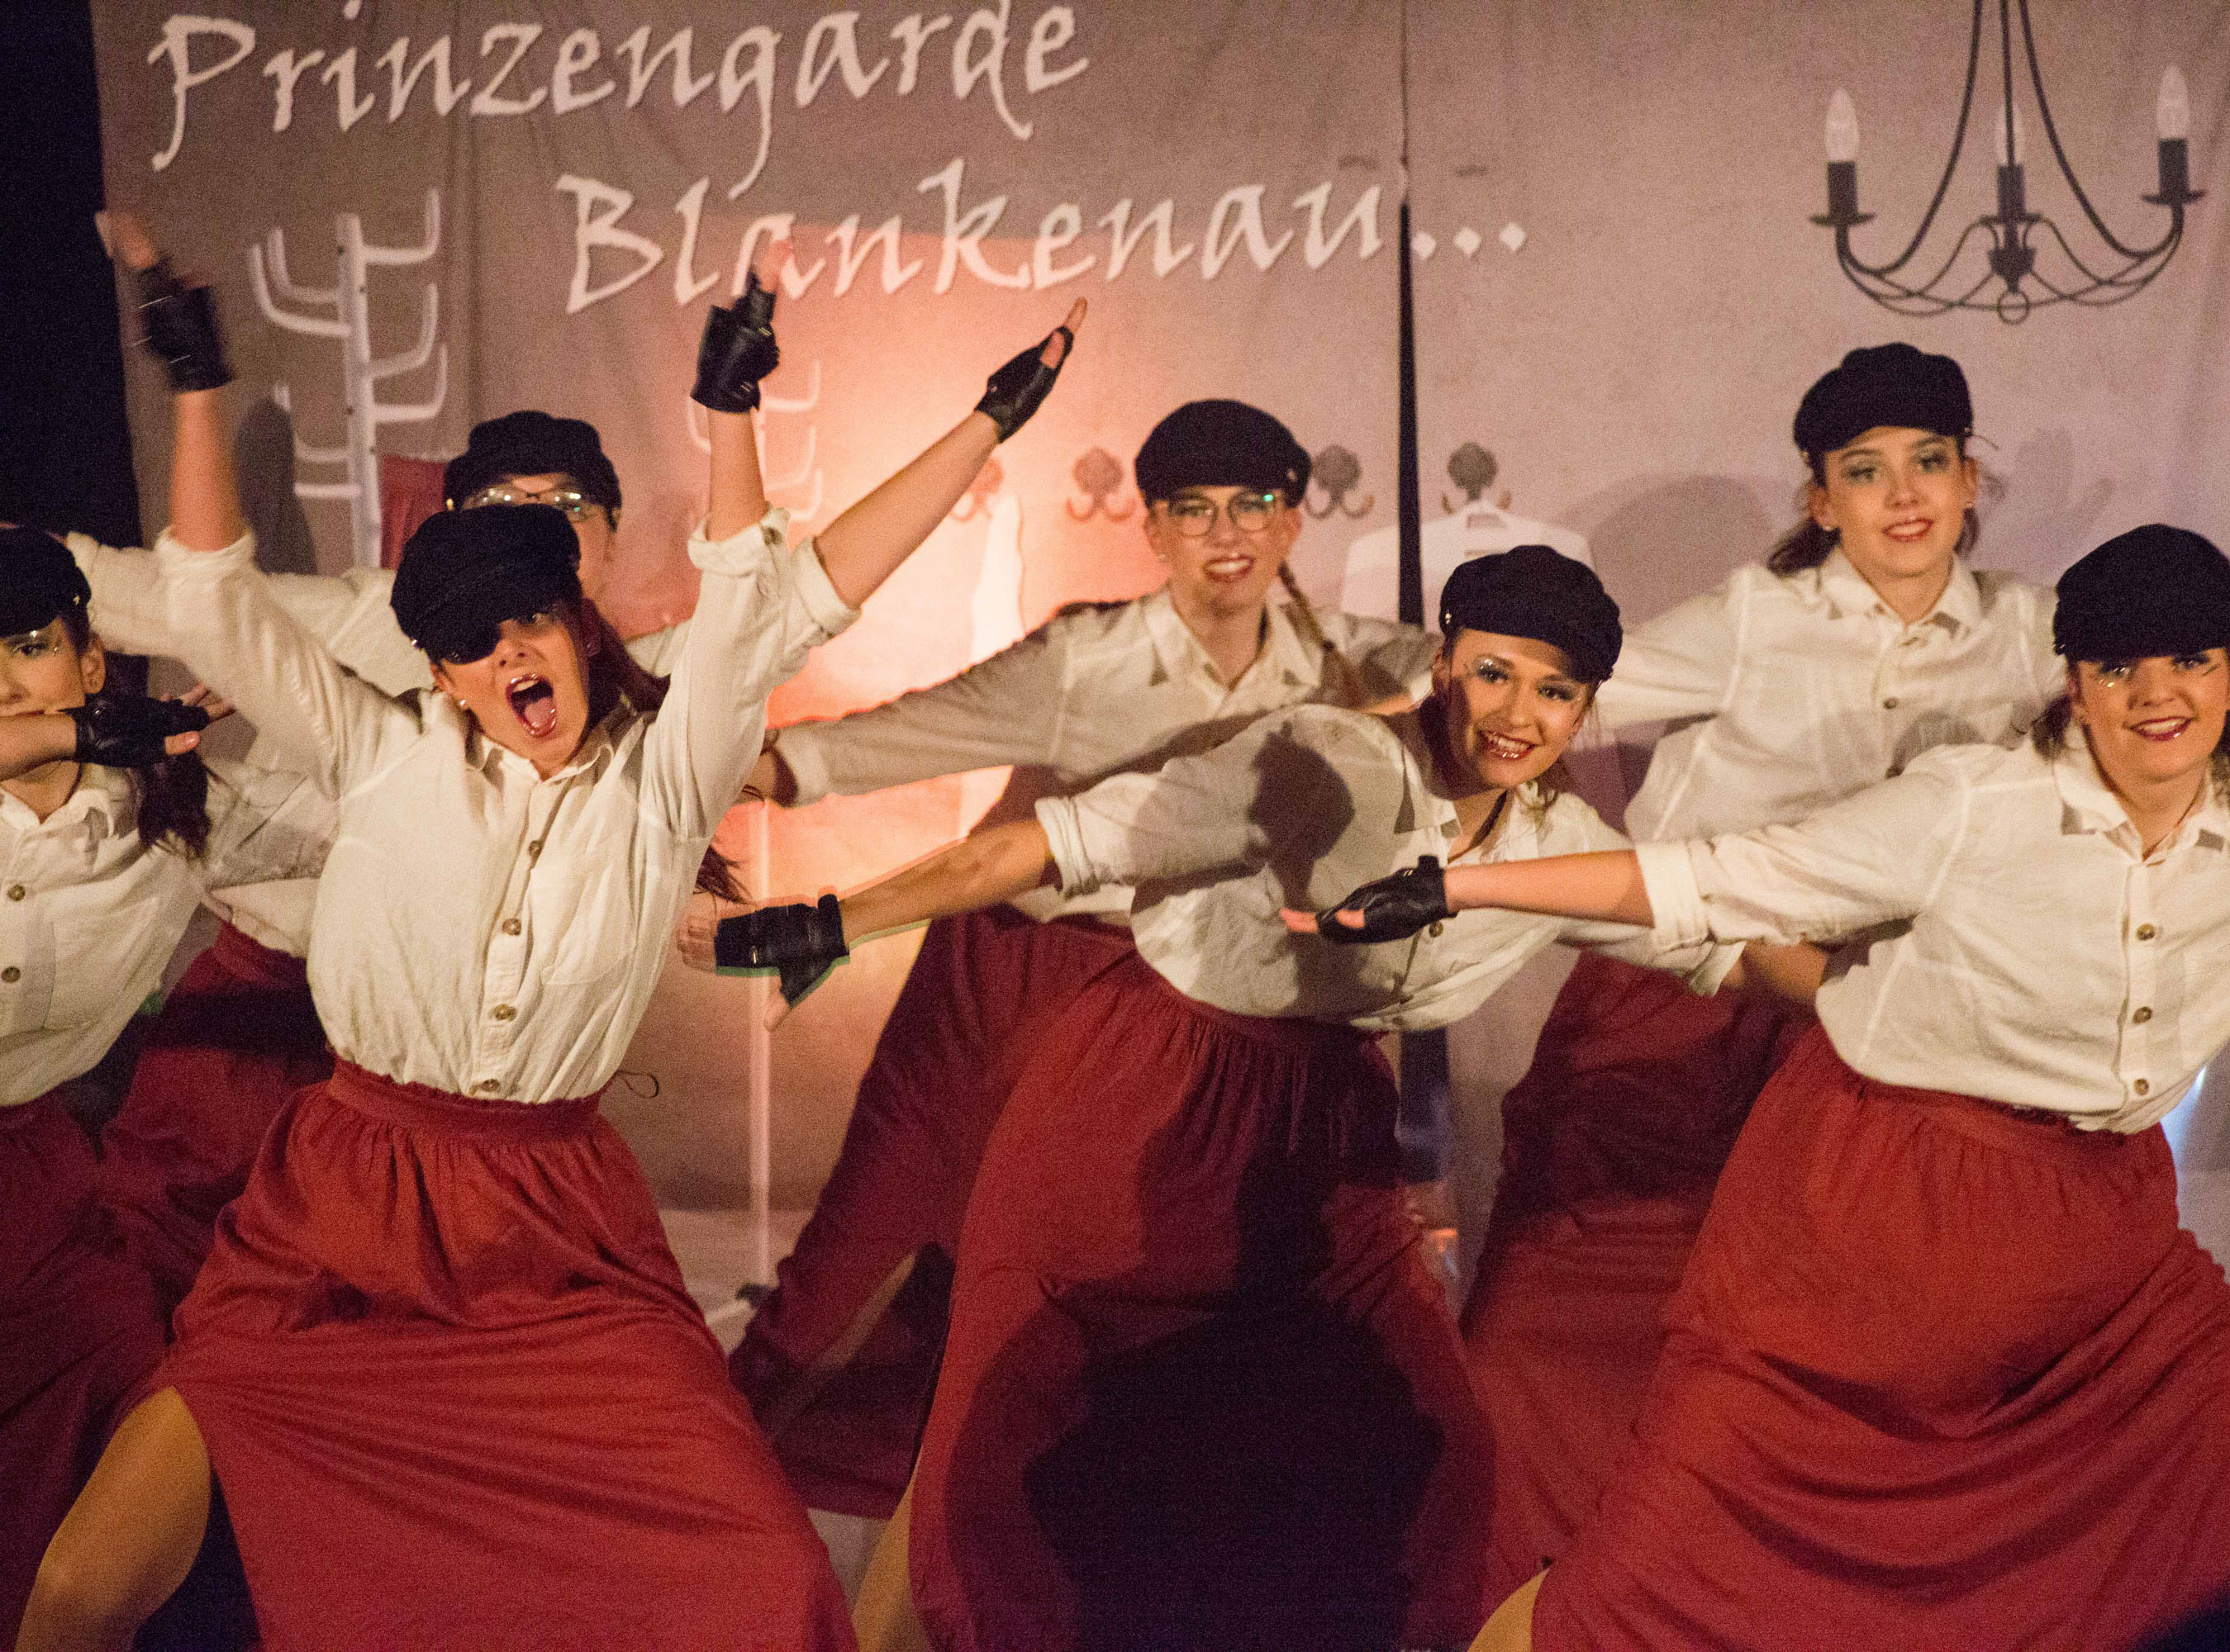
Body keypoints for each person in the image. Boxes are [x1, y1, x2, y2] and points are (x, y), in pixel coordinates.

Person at [17, 250, 1067, 1652]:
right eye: (472, 643)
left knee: (764, 1579)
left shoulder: (665, 767)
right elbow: (206, 599)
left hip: (553, 1239)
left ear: (579, 611)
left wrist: (813, 417)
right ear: (438, 673)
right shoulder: (380, 748)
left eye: (530, 618)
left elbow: (778, 598)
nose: (510, 654)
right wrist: (196, 378)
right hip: (340, 1216)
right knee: (81, 1590)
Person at [1313, 525, 2230, 1650]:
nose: (2155, 695)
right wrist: (1462, 887)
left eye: (2188, 661)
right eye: (2118, 668)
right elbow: (1723, 877)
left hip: (2099, 1253)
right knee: (1663, 1579)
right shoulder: (1976, 800)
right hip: (1871, 1216)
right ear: (2075, 686)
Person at [690, 544, 1728, 1651]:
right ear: (1441, 664)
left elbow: (1727, 945)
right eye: (1493, 673)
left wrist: (1864, 1010)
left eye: (1556, 691)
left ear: (1586, 708)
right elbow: (1043, 847)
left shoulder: (1560, 846)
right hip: (1148, 1094)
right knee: (1013, 1440)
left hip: (1326, 1142)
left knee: (1433, 1452)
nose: (1519, 715)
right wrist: (825, 923)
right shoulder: (1322, 757)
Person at [720, 397, 1438, 1544]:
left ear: (1292, 519)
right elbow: (888, 738)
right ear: (1152, 529)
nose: (1226, 535)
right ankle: (722, 1508)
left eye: (1253, 504)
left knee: (1138, 1288)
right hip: (1017, 989)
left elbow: (1485, 685)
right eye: (1193, 510)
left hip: (1199, 1014)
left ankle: (1073, 1542)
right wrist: (711, 774)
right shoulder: (1086, 659)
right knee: (879, 1251)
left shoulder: (1354, 663)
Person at [0, 527, 325, 1645]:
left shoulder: (172, 812)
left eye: (30, 646)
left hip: (40, 1193)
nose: (5, 683)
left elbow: (380, 826)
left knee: (142, 1448)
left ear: (92, 660)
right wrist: (68, 732)